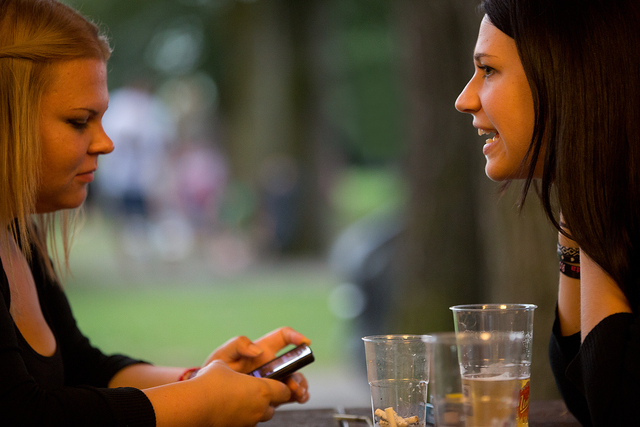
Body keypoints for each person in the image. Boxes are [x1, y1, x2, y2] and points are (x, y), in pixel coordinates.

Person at [0, 0, 310, 426]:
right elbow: (26, 413)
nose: (105, 143)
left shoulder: (18, 237)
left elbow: (82, 369)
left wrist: (200, 380)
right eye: (79, 121)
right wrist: (201, 402)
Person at [455, 0, 640, 425]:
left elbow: (619, 407)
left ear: (565, 78)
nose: (465, 100)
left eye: (488, 70)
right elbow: (585, 398)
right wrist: (579, 197)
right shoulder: (600, 202)